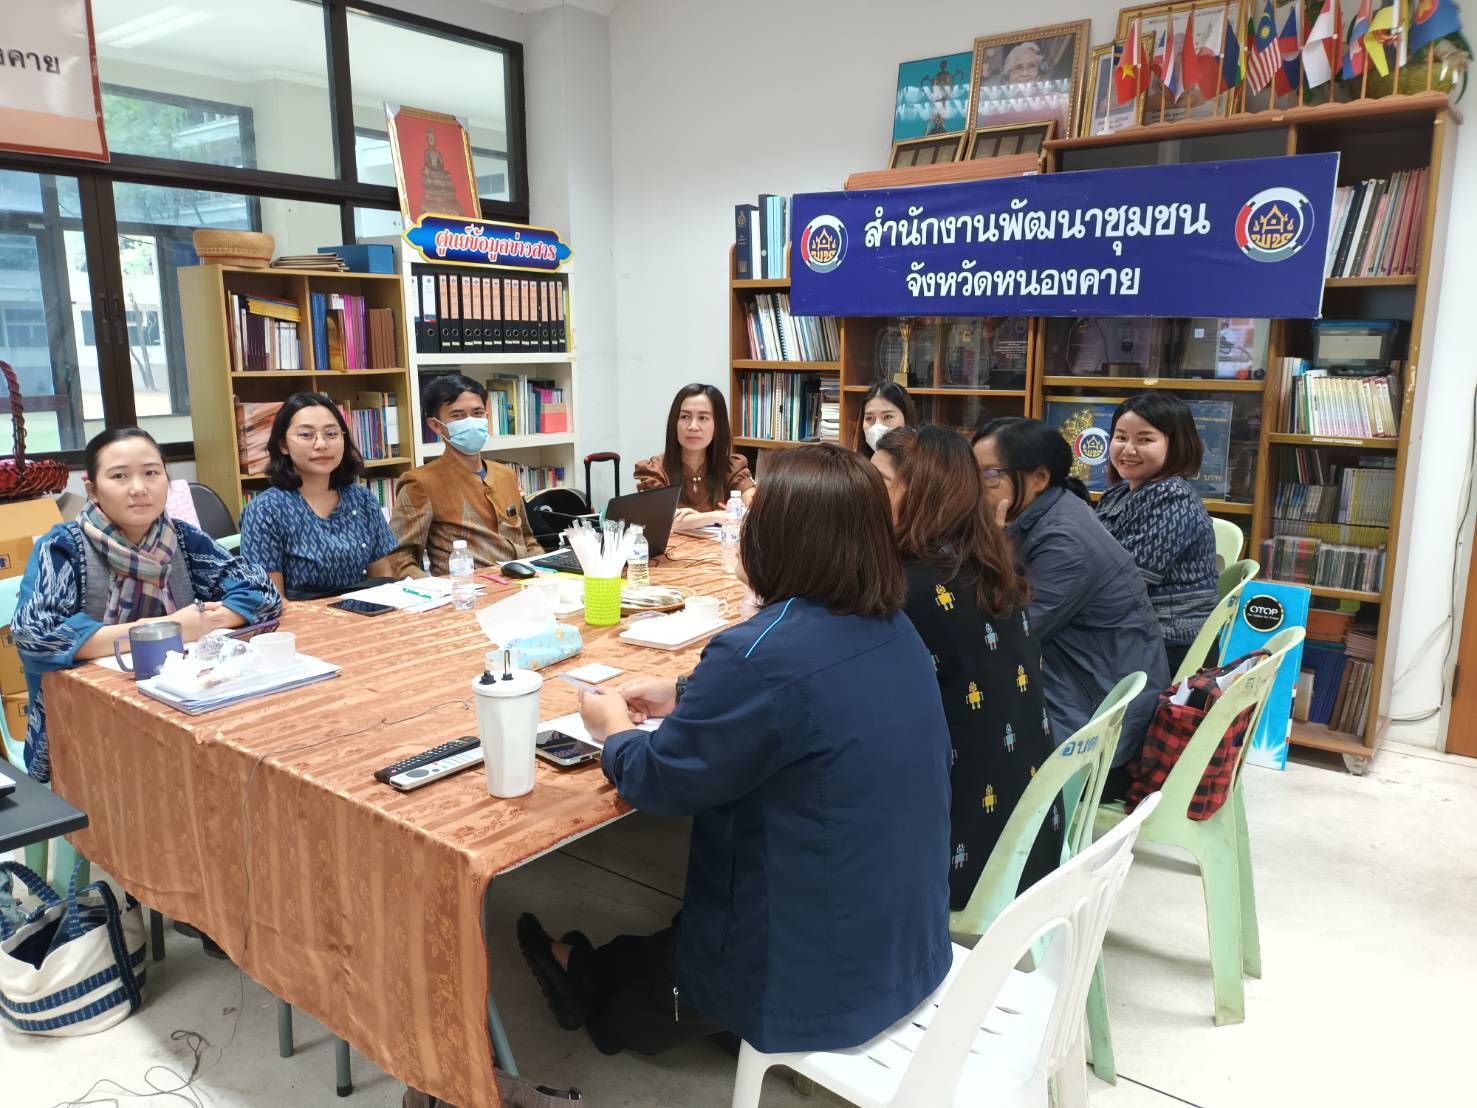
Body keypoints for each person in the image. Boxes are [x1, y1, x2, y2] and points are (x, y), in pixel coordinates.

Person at [517, 444, 952, 1058]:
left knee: (625, 1022)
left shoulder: (759, 652)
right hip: (903, 937)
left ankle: (597, 981)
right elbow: (810, 699)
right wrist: (687, 692)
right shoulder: (891, 624)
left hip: (813, 968)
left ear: (779, 538)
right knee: (671, 947)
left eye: (752, 521)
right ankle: (608, 965)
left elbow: (660, 782)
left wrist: (610, 729)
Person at [14, 428, 282, 784]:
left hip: (186, 705)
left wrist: (211, 619)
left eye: (151, 473)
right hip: (84, 722)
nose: (139, 487)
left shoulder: (183, 539)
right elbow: (37, 636)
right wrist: (174, 628)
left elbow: (263, 593)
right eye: (119, 475)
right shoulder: (62, 548)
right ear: (91, 488)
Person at [872, 425, 1060, 910]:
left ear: (921, 496)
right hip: (1026, 834)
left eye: (880, 483)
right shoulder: (981, 562)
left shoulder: (903, 591)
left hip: (959, 856)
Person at [971, 417, 1167, 786]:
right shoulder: (1045, 515)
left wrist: (988, 547)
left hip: (1095, 729)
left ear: (1039, 479)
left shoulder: (1066, 543)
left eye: (989, 474)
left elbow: (1007, 633)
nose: (976, 487)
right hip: (1077, 693)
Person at [1097, 394, 1218, 675]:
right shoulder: (1118, 494)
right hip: (1132, 633)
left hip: (1167, 646)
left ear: (1175, 445)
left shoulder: (1171, 496)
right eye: (1120, 437)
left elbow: (1124, 582)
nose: (1128, 449)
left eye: (1145, 439)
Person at [240, 393, 397, 600]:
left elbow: (383, 578)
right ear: (283, 445)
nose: (321, 444)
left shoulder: (362, 499)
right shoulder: (265, 511)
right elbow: (272, 602)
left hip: (364, 616)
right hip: (302, 625)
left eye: (331, 434)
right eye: (306, 435)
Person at [388, 374, 541, 576]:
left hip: (525, 586)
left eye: (477, 413)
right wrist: (439, 594)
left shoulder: (506, 474)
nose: (470, 421)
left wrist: (543, 569)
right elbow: (399, 560)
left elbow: (527, 540)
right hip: (467, 596)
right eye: (457, 415)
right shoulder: (420, 482)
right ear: (435, 425)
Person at [634, 383, 754, 531]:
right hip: (671, 554)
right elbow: (662, 519)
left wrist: (689, 519)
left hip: (719, 553)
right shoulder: (655, 471)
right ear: (675, 423)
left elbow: (756, 507)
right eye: (685, 417)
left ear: (717, 426)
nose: (692, 426)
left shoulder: (731, 468)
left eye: (703, 418)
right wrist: (716, 516)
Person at [855, 380, 916, 458]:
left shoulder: (924, 466)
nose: (877, 426)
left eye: (888, 416)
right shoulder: (854, 467)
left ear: (906, 418)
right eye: (869, 418)